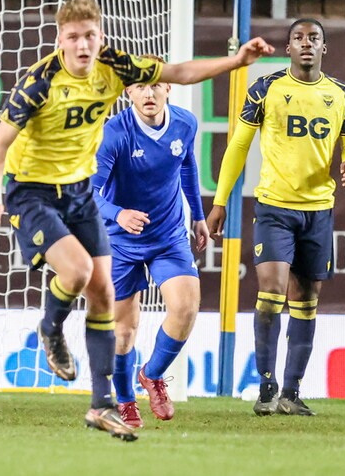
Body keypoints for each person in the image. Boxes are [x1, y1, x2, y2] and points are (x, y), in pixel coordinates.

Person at [0, 0, 272, 441]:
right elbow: (0, 143)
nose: (83, 45)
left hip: (79, 192)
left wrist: (236, 61)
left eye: (90, 36)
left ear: (101, 37)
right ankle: (51, 327)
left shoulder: (116, 67)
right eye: (74, 37)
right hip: (34, 191)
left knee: (102, 294)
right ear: (60, 40)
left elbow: (180, 72)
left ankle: (103, 406)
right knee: (80, 276)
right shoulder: (40, 83)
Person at [207, 18, 345, 417]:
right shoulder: (266, 88)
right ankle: (266, 387)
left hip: (319, 210)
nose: (306, 43)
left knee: (307, 301)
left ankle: (291, 393)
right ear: (289, 47)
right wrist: (220, 201)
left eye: (314, 38)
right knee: (272, 292)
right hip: (274, 207)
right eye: (298, 38)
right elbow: (238, 145)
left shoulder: (341, 94)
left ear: (324, 48)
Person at [90, 56, 208, 428]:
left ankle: (152, 374)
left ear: (169, 87)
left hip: (168, 235)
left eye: (156, 84)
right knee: (124, 331)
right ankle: (126, 402)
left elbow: (187, 165)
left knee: (185, 308)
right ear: (128, 91)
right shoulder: (114, 133)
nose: (149, 93)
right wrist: (118, 214)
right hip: (120, 241)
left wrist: (198, 215)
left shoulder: (186, 123)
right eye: (140, 86)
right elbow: (89, 193)